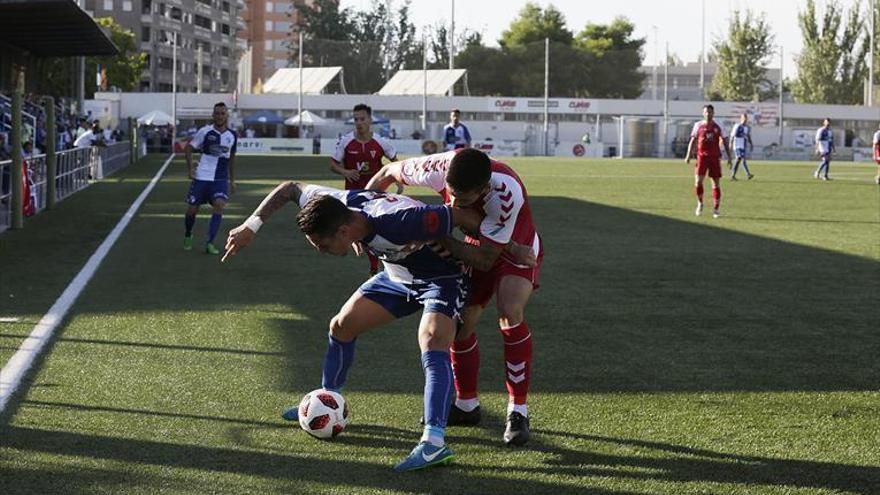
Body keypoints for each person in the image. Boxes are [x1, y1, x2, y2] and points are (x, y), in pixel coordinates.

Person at [223, 181, 485, 472]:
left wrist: (491, 243)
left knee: (433, 340)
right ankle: (327, 400)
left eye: (323, 244)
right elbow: (290, 189)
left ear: (344, 232)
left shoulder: (400, 222)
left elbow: (462, 216)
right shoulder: (335, 201)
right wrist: (251, 225)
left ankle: (434, 442)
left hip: (442, 280)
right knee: (341, 326)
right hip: (398, 277)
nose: (321, 251)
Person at [366, 148, 543, 447]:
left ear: (484, 189)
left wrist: (433, 233)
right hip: (478, 242)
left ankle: (518, 411)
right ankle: (467, 404)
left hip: (516, 245)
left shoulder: (505, 192)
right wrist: (365, 224)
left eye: (465, 199)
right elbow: (386, 173)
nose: (457, 204)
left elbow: (486, 259)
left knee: (509, 311)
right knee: (460, 326)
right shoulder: (436, 167)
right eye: (451, 195)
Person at [330, 103, 398, 275]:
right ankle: (360, 245)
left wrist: (398, 181)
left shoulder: (381, 142)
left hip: (374, 194)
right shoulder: (346, 141)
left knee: (373, 227)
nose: (359, 122)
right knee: (355, 227)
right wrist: (346, 171)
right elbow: (333, 164)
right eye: (356, 119)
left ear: (370, 120)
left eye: (362, 119)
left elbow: (395, 163)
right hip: (352, 194)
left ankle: (375, 266)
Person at [183, 102, 237, 255]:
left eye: (222, 113)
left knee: (219, 205)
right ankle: (188, 234)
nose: (220, 116)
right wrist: (190, 169)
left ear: (226, 116)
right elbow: (188, 148)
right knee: (192, 211)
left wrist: (232, 180)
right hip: (201, 177)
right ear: (213, 116)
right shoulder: (205, 132)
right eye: (217, 113)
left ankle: (210, 243)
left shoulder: (232, 135)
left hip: (220, 180)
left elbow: (232, 158)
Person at [685, 104, 732, 218]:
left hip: (714, 157)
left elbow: (725, 140)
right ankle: (700, 203)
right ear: (703, 113)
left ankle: (716, 210)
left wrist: (729, 157)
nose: (708, 114)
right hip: (701, 157)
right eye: (706, 112)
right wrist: (688, 155)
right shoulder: (698, 125)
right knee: (698, 182)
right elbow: (693, 140)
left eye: (710, 112)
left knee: (715, 184)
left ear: (713, 113)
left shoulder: (718, 125)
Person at [729, 113, 754, 181]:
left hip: (743, 146)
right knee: (739, 158)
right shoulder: (737, 126)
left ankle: (746, 175)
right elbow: (732, 136)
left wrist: (751, 144)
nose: (745, 119)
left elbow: (748, 136)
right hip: (737, 145)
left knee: (742, 160)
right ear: (741, 118)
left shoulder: (747, 127)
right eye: (743, 118)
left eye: (746, 118)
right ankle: (734, 175)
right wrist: (730, 144)